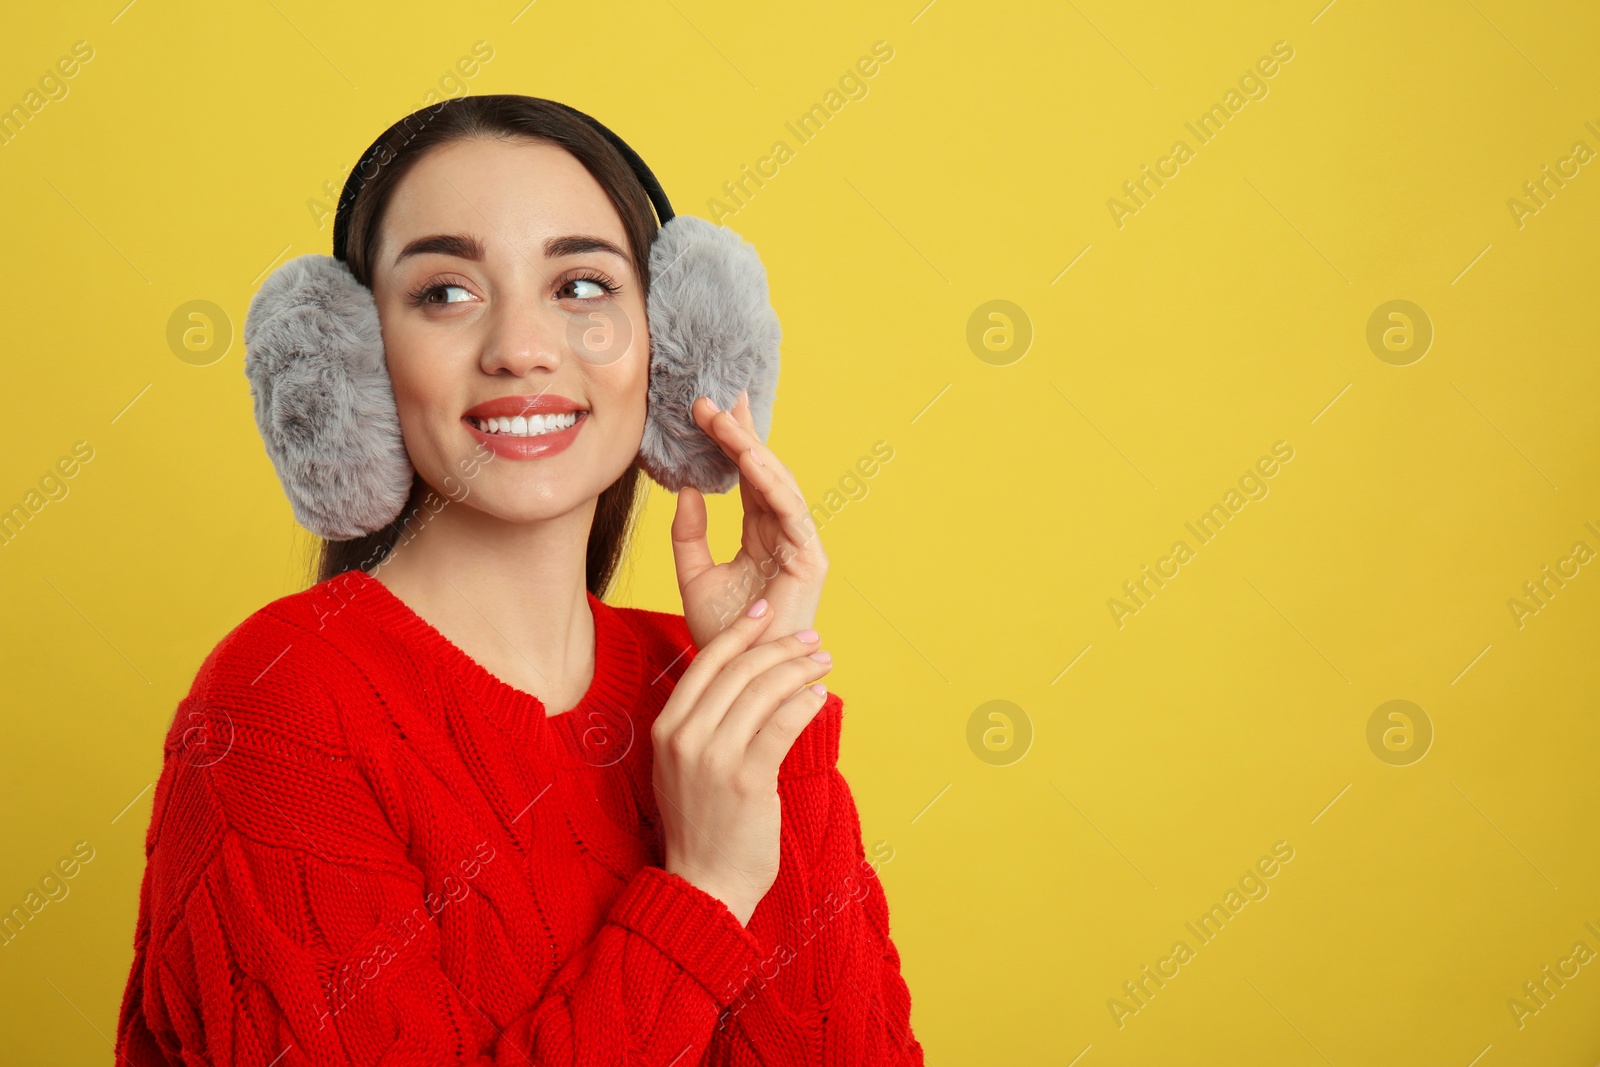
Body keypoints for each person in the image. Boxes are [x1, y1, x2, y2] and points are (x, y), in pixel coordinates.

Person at [114, 96, 923, 1065]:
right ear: (354, 364)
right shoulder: (279, 708)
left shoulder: (692, 675)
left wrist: (759, 681)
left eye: (581, 285)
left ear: (674, 356)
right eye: (445, 293)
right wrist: (697, 894)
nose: (521, 348)